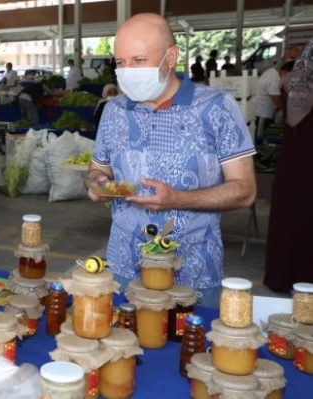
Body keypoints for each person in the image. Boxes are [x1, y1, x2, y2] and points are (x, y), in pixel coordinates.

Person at [86, 13, 256, 308]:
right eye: (121, 63)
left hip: (193, 272)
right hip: (123, 268)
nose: (128, 72)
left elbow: (245, 190)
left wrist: (178, 198)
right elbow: (97, 168)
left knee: (190, 349)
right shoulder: (114, 111)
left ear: (171, 57)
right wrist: (97, 183)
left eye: (139, 60)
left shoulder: (215, 107)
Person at [264, 38, 313, 292]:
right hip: (302, 158)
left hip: (293, 159)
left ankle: (283, 275)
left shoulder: (291, 80)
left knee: (292, 215)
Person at [254, 59, 298, 137]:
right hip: (262, 113)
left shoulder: (274, 74)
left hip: (267, 111)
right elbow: (276, 99)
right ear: (285, 72)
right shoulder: (274, 78)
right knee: (260, 136)